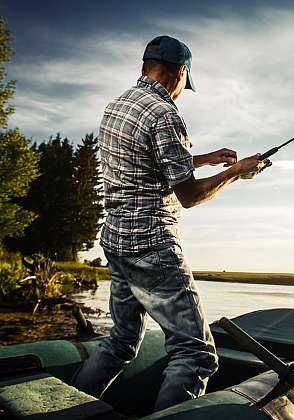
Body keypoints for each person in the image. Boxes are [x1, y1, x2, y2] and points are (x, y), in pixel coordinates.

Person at [72, 35, 269, 411]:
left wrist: (204, 158)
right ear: (180, 72)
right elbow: (190, 196)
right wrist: (237, 173)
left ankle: (64, 412)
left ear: (146, 66)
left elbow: (146, 162)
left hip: (115, 240)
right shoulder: (165, 113)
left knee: (121, 341)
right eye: (185, 82)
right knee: (195, 355)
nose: (182, 91)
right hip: (152, 246)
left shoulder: (117, 106)